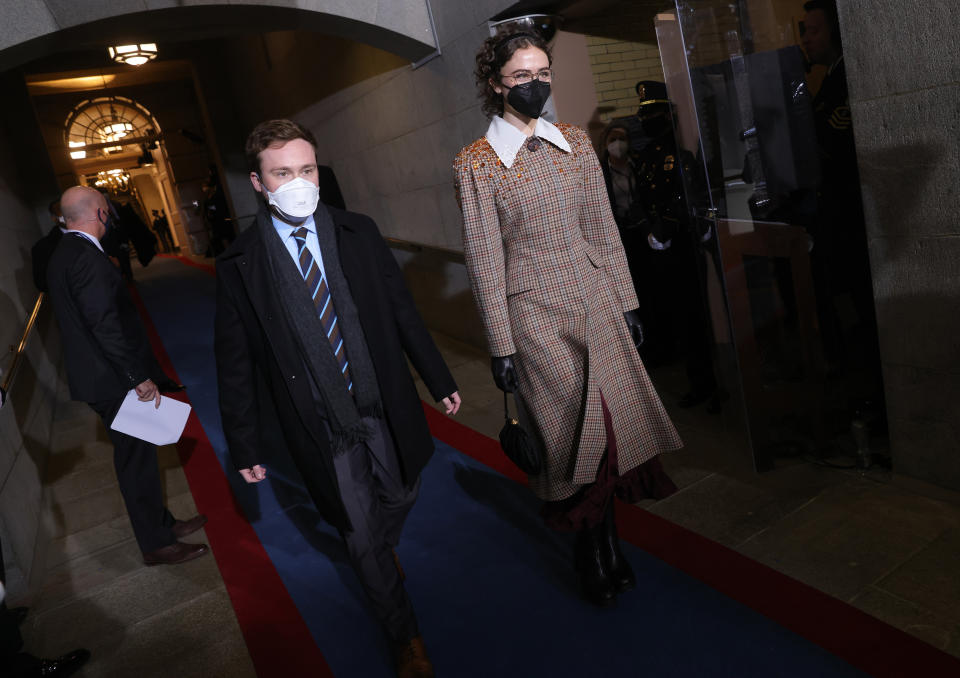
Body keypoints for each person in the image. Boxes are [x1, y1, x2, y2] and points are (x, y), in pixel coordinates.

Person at [215, 119, 462, 678]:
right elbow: (234, 363)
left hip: (379, 400)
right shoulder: (240, 265)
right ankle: (406, 637)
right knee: (360, 532)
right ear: (258, 182)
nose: (298, 182)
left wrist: (437, 376)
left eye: (306, 170)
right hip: (320, 420)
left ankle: (379, 539)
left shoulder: (359, 232)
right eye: (282, 173)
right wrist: (244, 442)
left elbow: (402, 310)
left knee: (401, 491)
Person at [454, 30, 682, 608]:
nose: (536, 86)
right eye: (522, 77)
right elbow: (484, 257)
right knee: (570, 440)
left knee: (609, 430)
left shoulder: (576, 143)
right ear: (495, 85)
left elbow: (603, 228)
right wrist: (500, 345)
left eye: (543, 73)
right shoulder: (476, 163)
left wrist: (627, 301)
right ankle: (590, 550)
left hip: (598, 303)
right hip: (535, 319)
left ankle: (606, 545)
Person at [46, 186, 209, 567]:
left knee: (141, 455)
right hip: (113, 379)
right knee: (136, 462)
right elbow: (104, 325)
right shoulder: (85, 256)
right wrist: (138, 376)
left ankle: (163, 524)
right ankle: (156, 544)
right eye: (108, 210)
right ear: (100, 213)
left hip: (101, 376)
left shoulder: (63, 252)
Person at [802, 0, 882, 403]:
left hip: (854, 218)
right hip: (837, 219)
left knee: (865, 316)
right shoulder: (829, 80)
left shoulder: (848, 76)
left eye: (813, 30)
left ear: (835, 30)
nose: (806, 39)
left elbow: (832, 141)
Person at [30, 200, 66, 293]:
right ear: (54, 218)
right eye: (61, 210)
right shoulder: (42, 247)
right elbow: (42, 283)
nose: (66, 214)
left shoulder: (95, 232)